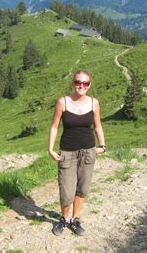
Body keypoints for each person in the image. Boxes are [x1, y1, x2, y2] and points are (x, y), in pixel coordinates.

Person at [48, 70, 106, 236]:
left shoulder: (94, 103)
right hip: (67, 152)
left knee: (82, 189)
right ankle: (64, 219)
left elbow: (98, 126)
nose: (81, 86)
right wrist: (50, 149)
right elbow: (54, 126)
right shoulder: (63, 102)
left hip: (88, 151)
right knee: (66, 192)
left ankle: (75, 219)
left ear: (89, 85)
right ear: (73, 83)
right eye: (78, 82)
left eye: (85, 83)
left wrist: (103, 145)